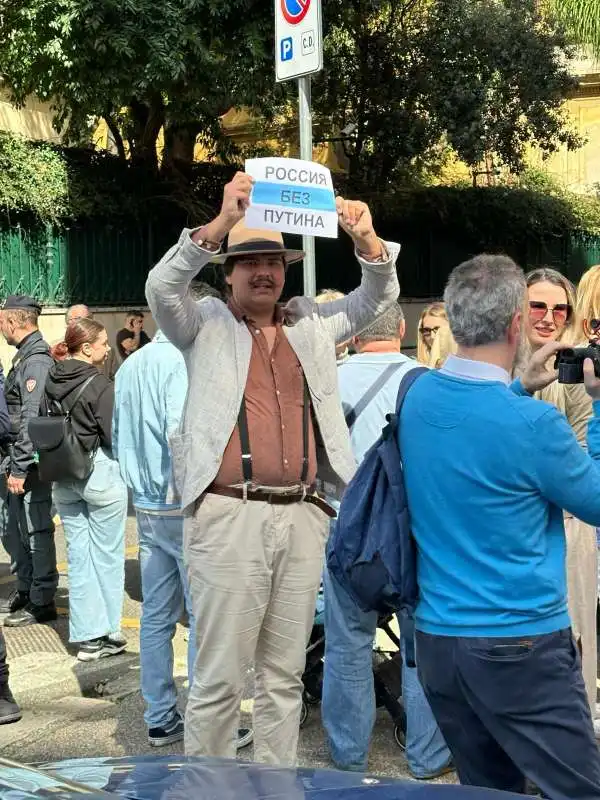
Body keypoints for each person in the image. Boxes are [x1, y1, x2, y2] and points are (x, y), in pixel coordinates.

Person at [145, 171, 400, 764]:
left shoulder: (311, 321)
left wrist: (365, 238)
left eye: (275, 262)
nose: (265, 271)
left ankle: (274, 788)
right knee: (217, 684)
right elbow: (162, 287)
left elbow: (379, 298)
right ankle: (212, 790)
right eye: (250, 262)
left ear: (287, 271)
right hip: (228, 515)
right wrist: (220, 223)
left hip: (304, 515)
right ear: (228, 272)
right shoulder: (203, 323)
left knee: (283, 680)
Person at [399, 253, 600, 798]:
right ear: (517, 324)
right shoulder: (536, 426)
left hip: (439, 641)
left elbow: (474, 427)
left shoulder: (416, 397)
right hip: (521, 643)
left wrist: (518, 387)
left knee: (488, 789)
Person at [113, 281, 253, 751]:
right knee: (204, 617)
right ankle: (209, 722)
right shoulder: (181, 361)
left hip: (148, 504)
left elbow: (119, 434)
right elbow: (182, 433)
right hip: (184, 501)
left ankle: (159, 716)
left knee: (156, 614)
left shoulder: (133, 365)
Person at [321, 303, 452, 779]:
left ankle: (347, 756)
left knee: (347, 645)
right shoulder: (427, 382)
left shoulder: (328, 379)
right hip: (413, 535)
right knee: (420, 649)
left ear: (353, 333)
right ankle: (427, 756)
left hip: (347, 532)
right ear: (401, 330)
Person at [524, 268, 598, 717]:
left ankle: (569, 745)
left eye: (559, 309)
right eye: (538, 305)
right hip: (513, 527)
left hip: (568, 525)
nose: (549, 317)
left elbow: (586, 450)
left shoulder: (572, 369)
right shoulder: (502, 365)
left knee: (572, 639)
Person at [43, 318, 127, 662]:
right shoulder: (100, 384)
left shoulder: (52, 377)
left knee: (78, 557)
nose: (108, 349)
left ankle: (87, 638)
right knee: (107, 555)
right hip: (98, 472)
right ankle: (108, 633)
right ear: (87, 348)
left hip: (63, 473)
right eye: (104, 343)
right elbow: (112, 435)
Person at [0, 295, 57, 627]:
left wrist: (20, 467)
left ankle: (42, 599)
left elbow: (31, 421)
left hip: (30, 465)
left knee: (36, 530)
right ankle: (27, 588)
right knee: (17, 530)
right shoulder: (24, 357)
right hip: (16, 461)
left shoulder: (35, 361)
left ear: (13, 321)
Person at [52, 305, 120, 381]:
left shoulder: (108, 351)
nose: (87, 324)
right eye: (80, 320)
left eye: (89, 319)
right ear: (68, 323)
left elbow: (117, 381)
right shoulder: (56, 349)